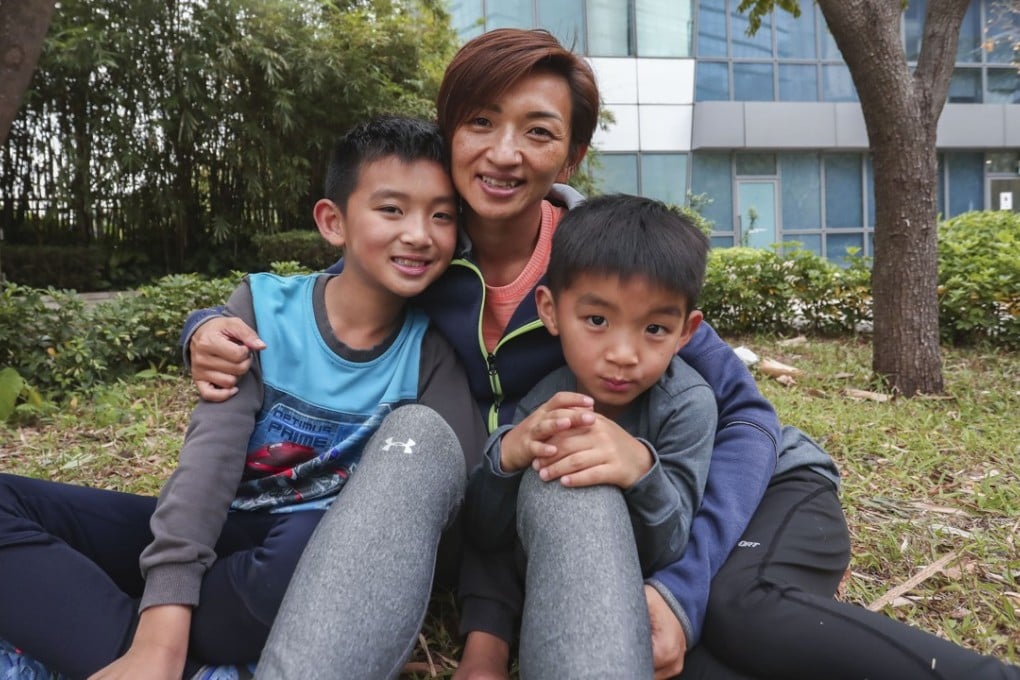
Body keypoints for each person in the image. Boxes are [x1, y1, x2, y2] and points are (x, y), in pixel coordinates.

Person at [183, 29, 1020, 680]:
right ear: (449, 136)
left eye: (537, 131)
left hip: (743, 490)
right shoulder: (425, 262)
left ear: (570, 155)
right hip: (583, 500)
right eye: (480, 123)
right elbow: (323, 293)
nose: (505, 153)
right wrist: (204, 327)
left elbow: (748, 421)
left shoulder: (608, 272)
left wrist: (683, 591)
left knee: (730, 609)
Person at [0, 114, 485, 680]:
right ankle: (156, 653)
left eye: (442, 215)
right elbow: (210, 462)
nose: (420, 233)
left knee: (311, 538)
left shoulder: (431, 357)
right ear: (334, 222)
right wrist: (164, 619)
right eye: (392, 209)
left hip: (298, 571)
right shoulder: (263, 308)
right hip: (218, 536)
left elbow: (452, 502)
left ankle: (119, 637)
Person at [462, 194, 717, 676]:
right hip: (549, 572)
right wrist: (508, 455)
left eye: (655, 328)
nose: (623, 353)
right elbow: (486, 532)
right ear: (551, 311)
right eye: (597, 321)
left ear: (687, 332)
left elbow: (671, 547)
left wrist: (642, 470)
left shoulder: (687, 405)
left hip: (621, 597)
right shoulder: (548, 399)